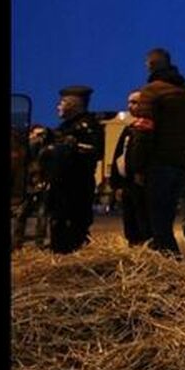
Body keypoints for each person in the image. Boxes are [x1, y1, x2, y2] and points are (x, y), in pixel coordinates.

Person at [130, 49, 185, 257]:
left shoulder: (152, 92)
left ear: (151, 65)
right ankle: (173, 266)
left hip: (157, 166)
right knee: (167, 220)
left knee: (158, 226)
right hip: (180, 167)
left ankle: (171, 269)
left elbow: (143, 132)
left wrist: (137, 166)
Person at [43, 86, 105, 254]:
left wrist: (71, 146)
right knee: (58, 223)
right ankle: (59, 252)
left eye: (62, 102)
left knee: (73, 226)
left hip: (76, 185)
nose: (58, 106)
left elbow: (95, 152)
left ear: (73, 104)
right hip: (61, 184)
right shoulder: (65, 127)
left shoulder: (87, 126)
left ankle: (69, 255)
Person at [110, 90, 151, 246]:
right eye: (129, 102)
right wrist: (117, 184)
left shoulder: (149, 127)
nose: (130, 106)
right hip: (127, 184)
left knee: (143, 222)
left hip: (141, 183)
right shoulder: (130, 128)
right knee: (130, 223)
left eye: (135, 102)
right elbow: (118, 156)